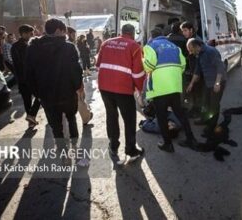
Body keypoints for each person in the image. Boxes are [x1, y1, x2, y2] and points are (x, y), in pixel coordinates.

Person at [25, 19, 83, 150]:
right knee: (71, 119)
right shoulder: (68, 47)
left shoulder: (33, 47)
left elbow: (29, 74)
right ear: (58, 31)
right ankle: (75, 146)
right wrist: (77, 87)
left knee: (56, 126)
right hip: (67, 94)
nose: (65, 35)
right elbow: (76, 71)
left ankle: (63, 152)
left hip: (46, 96)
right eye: (64, 32)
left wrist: (38, 94)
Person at [143, 27, 197, 153]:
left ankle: (167, 144)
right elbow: (183, 65)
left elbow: (149, 65)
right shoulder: (174, 47)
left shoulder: (150, 46)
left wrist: (144, 63)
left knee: (161, 117)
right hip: (175, 87)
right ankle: (191, 138)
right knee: (180, 114)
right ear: (163, 36)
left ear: (152, 36)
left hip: (160, 88)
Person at [96, 24, 145, 161]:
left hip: (104, 87)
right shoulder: (134, 46)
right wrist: (139, 89)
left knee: (111, 117)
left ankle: (113, 147)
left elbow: (98, 65)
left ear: (121, 32)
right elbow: (137, 73)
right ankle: (131, 150)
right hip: (123, 89)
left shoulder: (106, 43)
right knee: (129, 120)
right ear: (133, 33)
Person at [186, 38, 227, 137]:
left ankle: (212, 127)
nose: (190, 53)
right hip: (208, 82)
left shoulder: (210, 51)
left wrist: (217, 83)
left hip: (218, 81)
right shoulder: (199, 55)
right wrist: (191, 84)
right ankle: (205, 119)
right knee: (205, 102)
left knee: (214, 105)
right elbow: (197, 71)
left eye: (191, 50)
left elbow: (220, 67)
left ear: (197, 46)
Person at [11, 25, 41, 128]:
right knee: (28, 100)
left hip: (31, 77)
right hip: (24, 78)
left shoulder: (31, 44)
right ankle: (31, 120)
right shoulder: (16, 46)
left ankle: (31, 115)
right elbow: (19, 63)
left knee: (39, 96)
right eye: (30, 33)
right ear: (23, 33)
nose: (32, 35)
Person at [180, 21, 204, 120]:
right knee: (194, 92)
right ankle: (195, 109)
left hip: (198, 71)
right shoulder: (191, 39)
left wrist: (195, 74)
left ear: (191, 30)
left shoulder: (196, 41)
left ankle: (198, 111)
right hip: (194, 70)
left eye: (185, 30)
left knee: (197, 91)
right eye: (182, 31)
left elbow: (199, 59)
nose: (183, 33)